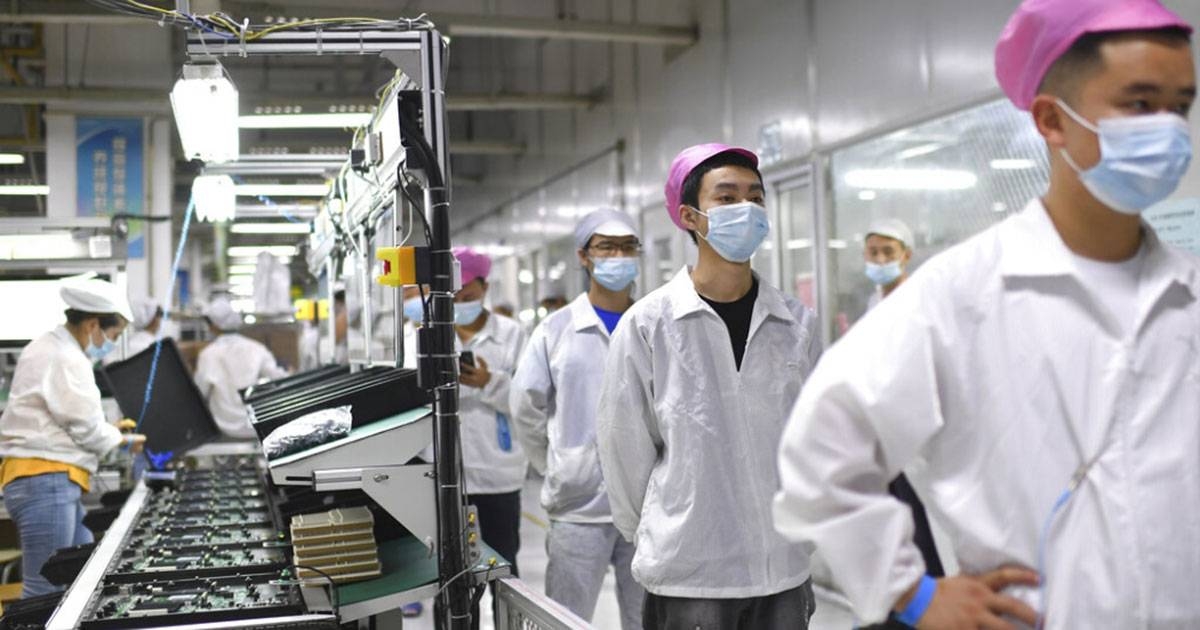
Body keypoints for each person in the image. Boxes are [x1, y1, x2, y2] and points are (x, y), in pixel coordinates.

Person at [773, 1, 1200, 628]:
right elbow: (821, 450)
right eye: (1139, 105)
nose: (1167, 129)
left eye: (1180, 106)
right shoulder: (959, 294)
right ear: (1053, 120)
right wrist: (913, 593)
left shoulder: (1187, 291)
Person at [596, 144, 822, 630]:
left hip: (783, 568)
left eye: (755, 197)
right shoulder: (648, 326)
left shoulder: (796, 323)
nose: (747, 208)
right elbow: (623, 449)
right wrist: (664, 531)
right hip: (690, 574)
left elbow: (818, 440)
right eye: (727, 197)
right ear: (690, 216)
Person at [510, 208, 646, 629]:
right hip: (578, 506)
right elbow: (524, 406)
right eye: (606, 247)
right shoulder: (556, 329)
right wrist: (557, 463)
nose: (618, 256)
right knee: (567, 619)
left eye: (627, 247)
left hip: (647, 504)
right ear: (584, 256)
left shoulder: (654, 322)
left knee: (648, 619)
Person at [0, 278, 146, 598]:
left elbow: (69, 418)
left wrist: (112, 430)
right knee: (45, 589)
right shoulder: (66, 357)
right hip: (45, 479)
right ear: (93, 324)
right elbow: (86, 428)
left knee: (77, 572)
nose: (110, 342)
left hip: (43, 478)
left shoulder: (50, 346)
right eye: (113, 334)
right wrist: (122, 440)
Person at [451, 247, 528, 622]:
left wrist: (489, 383)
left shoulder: (512, 335)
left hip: (500, 472)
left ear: (484, 287)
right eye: (453, 295)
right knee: (450, 577)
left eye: (468, 295)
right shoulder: (425, 337)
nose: (461, 302)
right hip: (448, 475)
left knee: (504, 568)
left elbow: (530, 399)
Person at [194, 296, 288, 439]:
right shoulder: (256, 348)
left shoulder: (208, 354)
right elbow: (279, 379)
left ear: (213, 325)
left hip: (222, 428)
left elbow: (200, 392)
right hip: (252, 426)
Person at [863, 218, 915, 311]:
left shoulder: (917, 299)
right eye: (873, 253)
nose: (880, 260)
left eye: (888, 252)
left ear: (907, 255)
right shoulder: (875, 301)